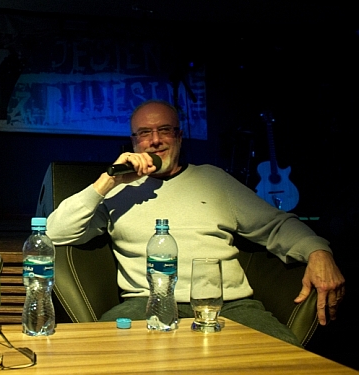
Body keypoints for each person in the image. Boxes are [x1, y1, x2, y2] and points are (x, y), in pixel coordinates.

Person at [46, 99, 345, 345]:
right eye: (144, 133)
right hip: (147, 304)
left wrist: (318, 251)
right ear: (133, 142)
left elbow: (276, 225)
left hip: (229, 306)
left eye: (164, 130)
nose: (155, 140)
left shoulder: (214, 180)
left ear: (178, 136)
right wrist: (108, 180)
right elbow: (56, 232)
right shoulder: (117, 191)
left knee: (287, 360)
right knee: (96, 352)